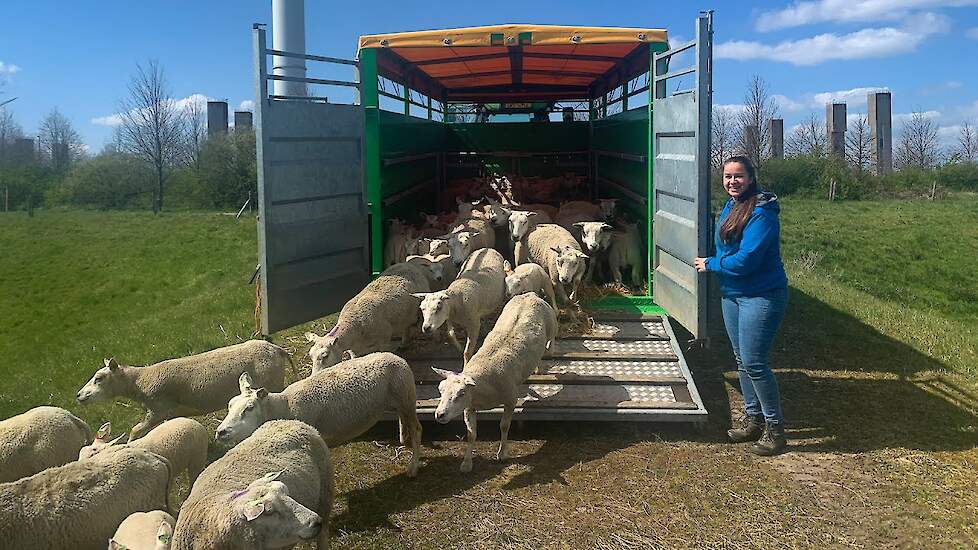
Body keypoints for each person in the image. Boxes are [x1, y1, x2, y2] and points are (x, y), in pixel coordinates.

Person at [694, 156, 788, 456]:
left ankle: (775, 429)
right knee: (740, 359)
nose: (732, 182)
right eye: (727, 176)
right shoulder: (731, 206)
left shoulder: (762, 214)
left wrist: (711, 263)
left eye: (739, 176)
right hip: (732, 294)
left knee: (755, 361)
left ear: (751, 178)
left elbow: (748, 260)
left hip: (760, 295)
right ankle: (753, 419)